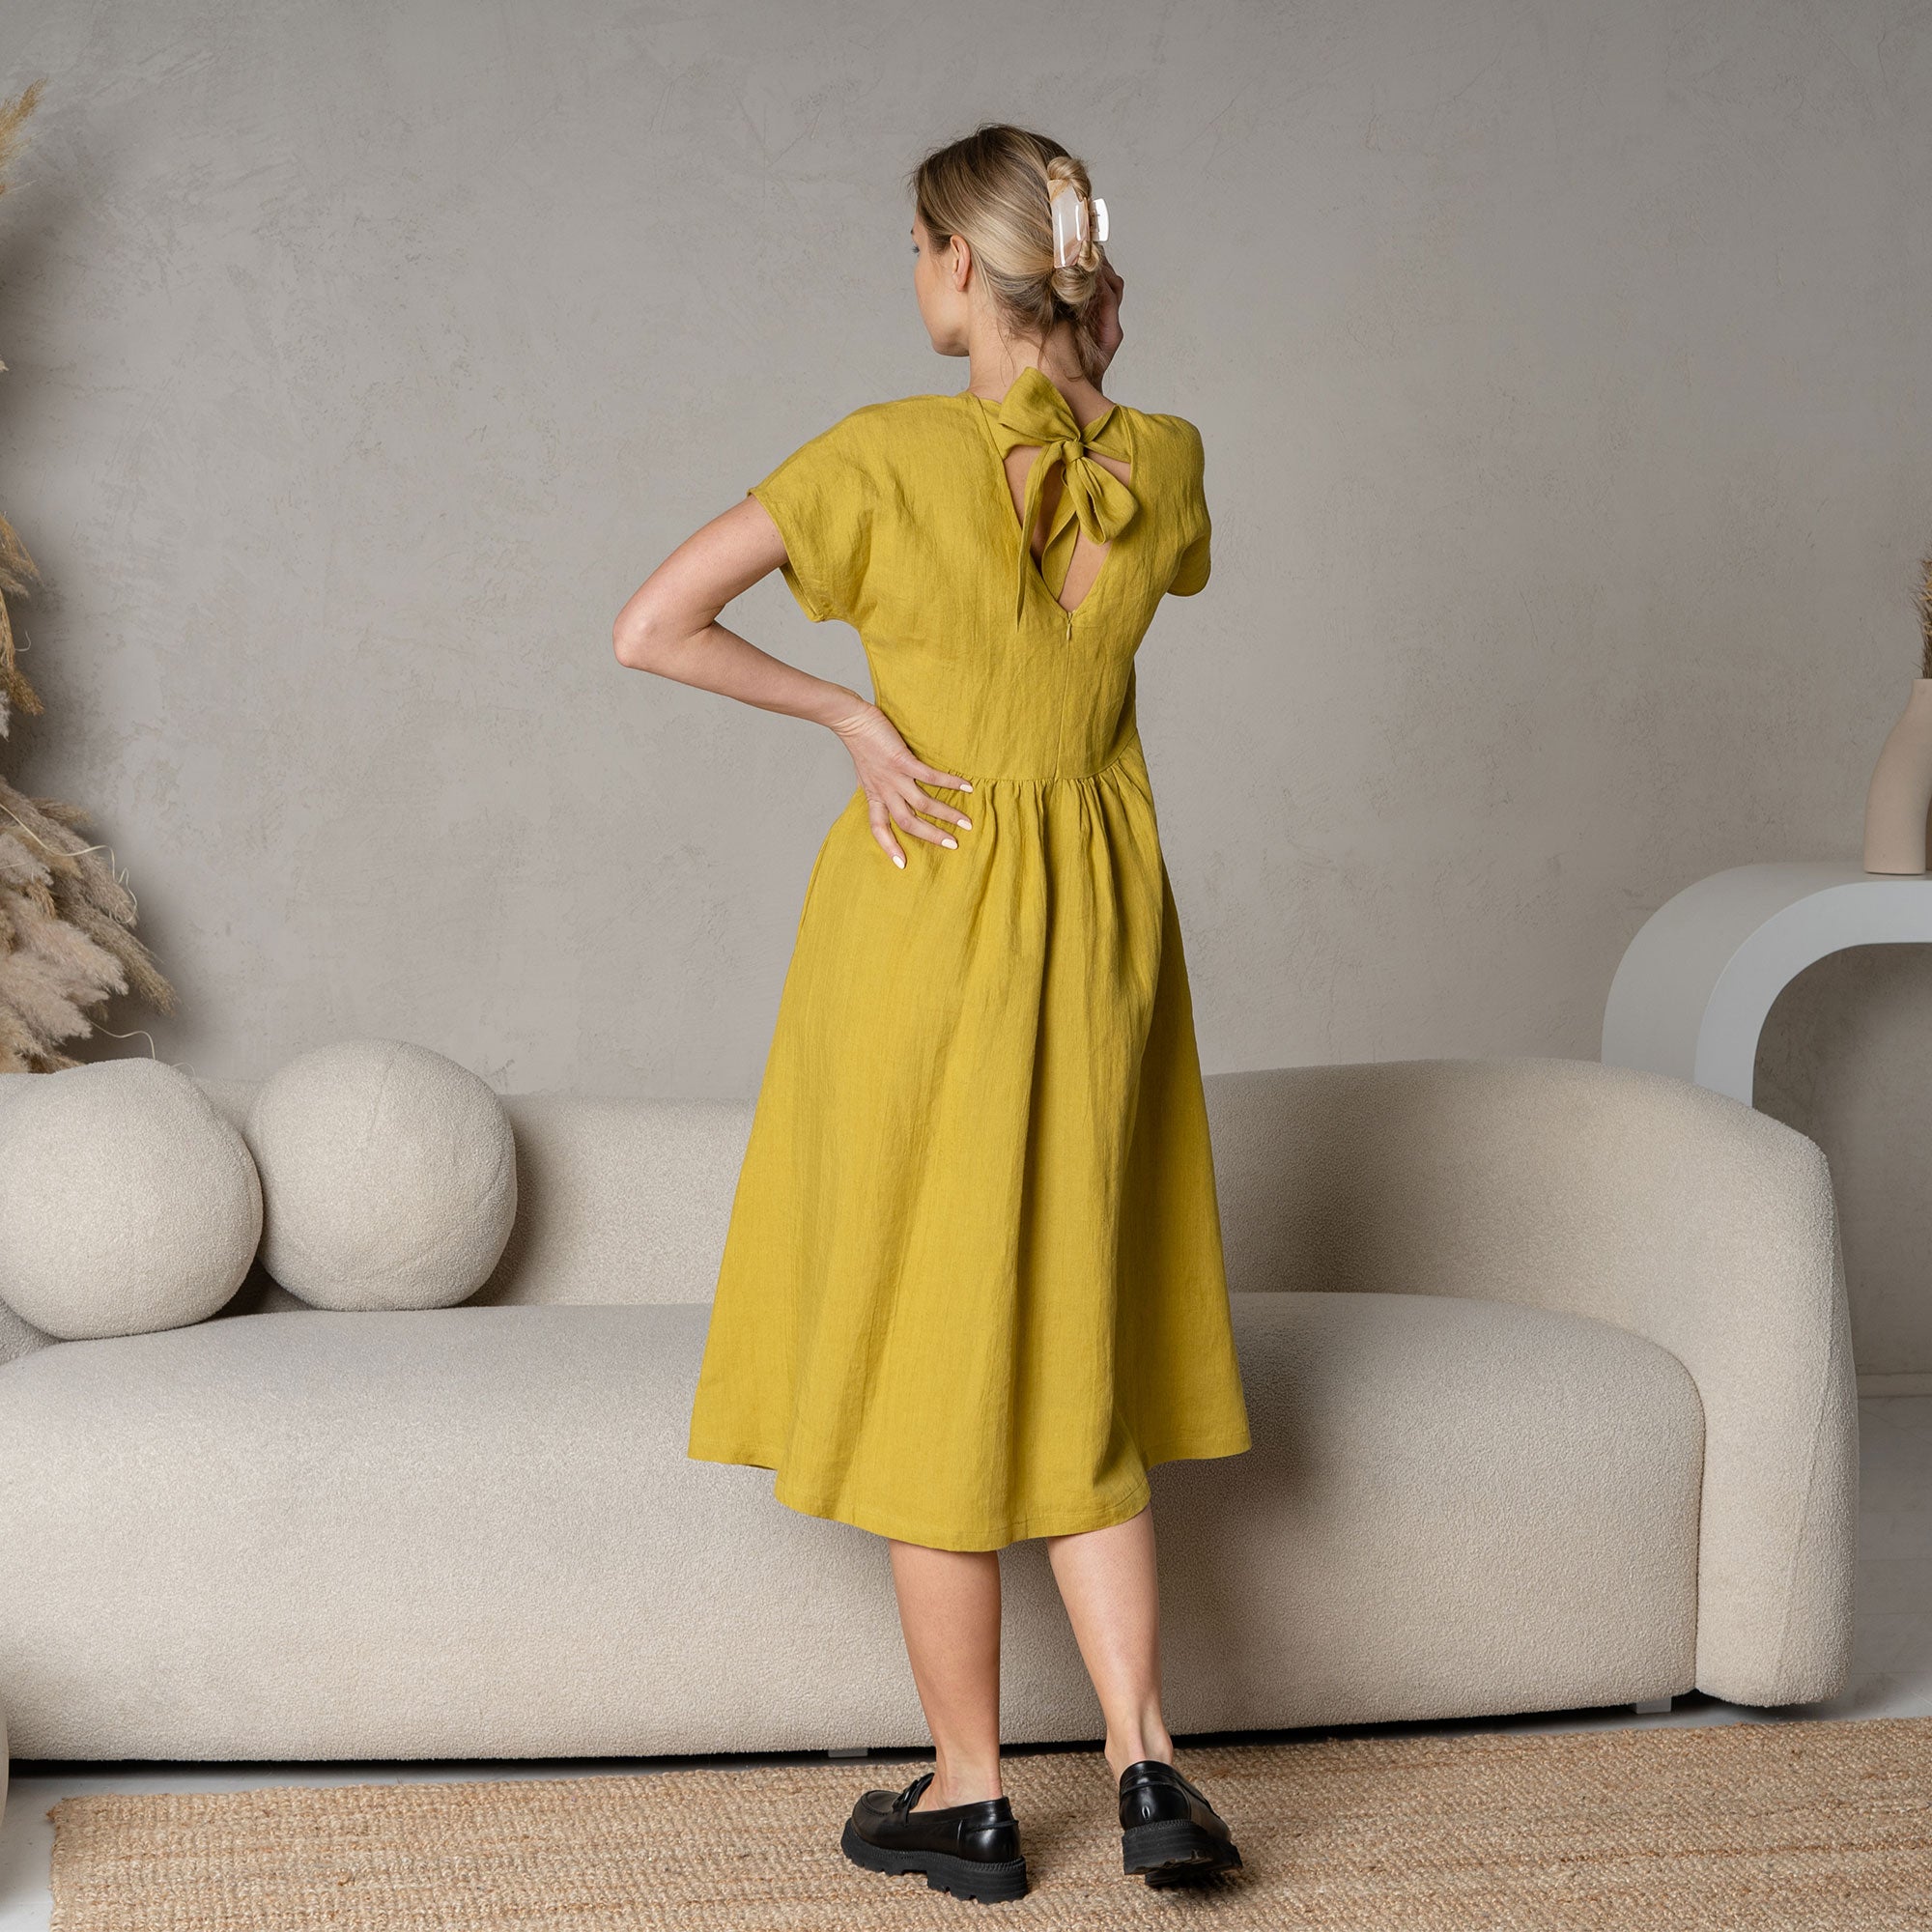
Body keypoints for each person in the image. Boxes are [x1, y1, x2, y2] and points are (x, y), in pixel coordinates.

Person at [611, 122, 1251, 1904]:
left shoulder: (883, 456)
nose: (912, 275)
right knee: (1073, 1331)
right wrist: (1096, 360)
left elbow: (651, 626)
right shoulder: (1166, 457)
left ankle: (972, 1796)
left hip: (927, 914)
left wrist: (852, 719)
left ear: (961, 265)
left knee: (934, 1346)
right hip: (1101, 932)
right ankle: (1146, 1767)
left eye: (916, 246)